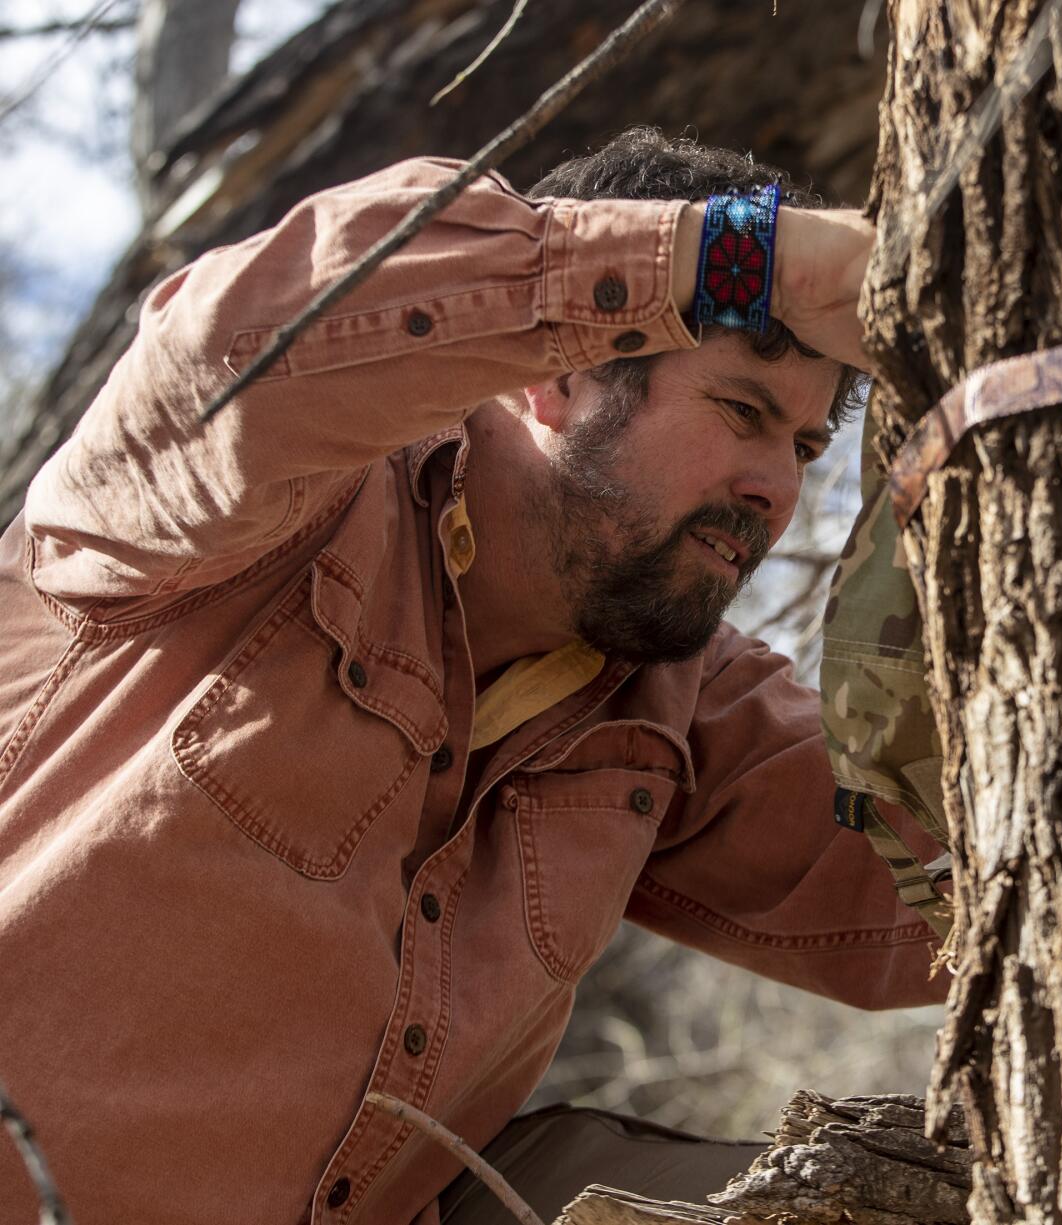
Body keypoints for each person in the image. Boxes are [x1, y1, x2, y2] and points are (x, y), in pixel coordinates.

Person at [0, 127, 947, 1225]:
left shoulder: (678, 699)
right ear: (557, 373)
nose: (773, 488)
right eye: (741, 412)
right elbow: (232, 345)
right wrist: (762, 261)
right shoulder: (257, 501)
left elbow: (955, 880)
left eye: (804, 446)